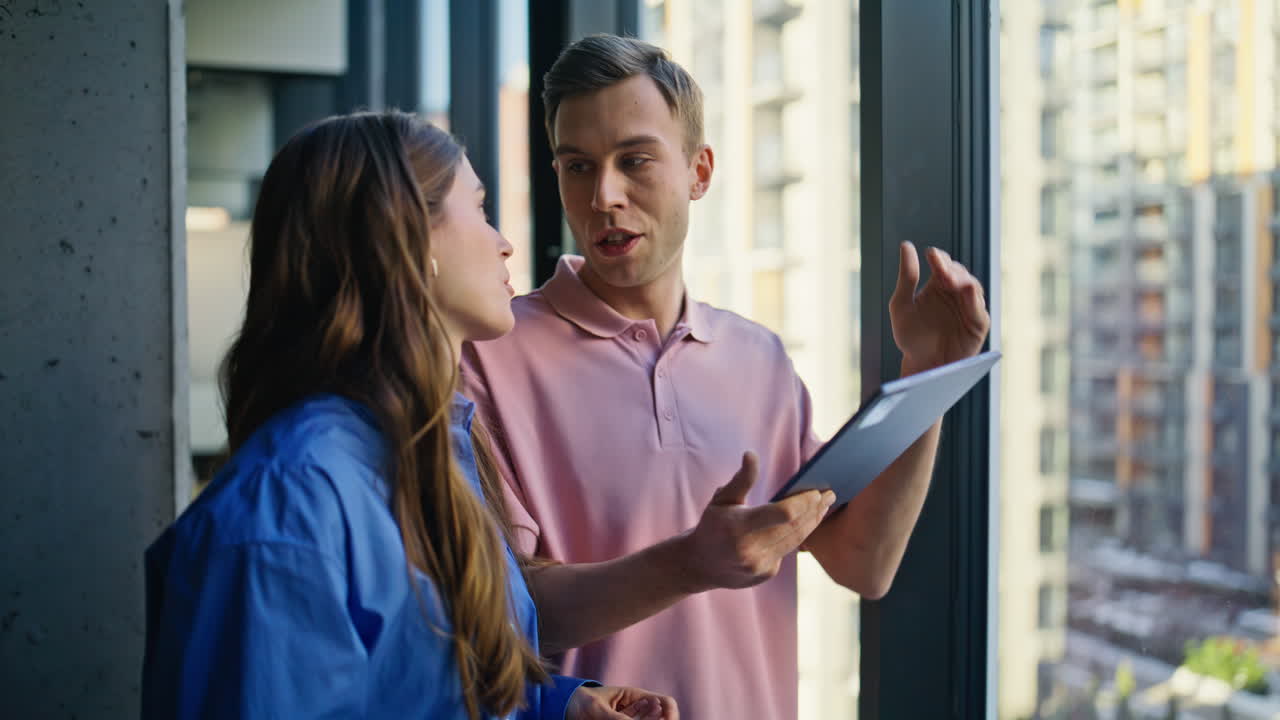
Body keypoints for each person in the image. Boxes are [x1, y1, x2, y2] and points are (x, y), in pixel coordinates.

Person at [460, 35, 992, 719]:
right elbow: (503, 612)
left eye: (635, 160)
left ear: (699, 171)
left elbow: (864, 561)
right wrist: (689, 563)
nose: (604, 197)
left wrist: (930, 372)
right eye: (578, 167)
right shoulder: (490, 358)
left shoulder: (760, 359)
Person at [141, 111, 677, 720]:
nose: (503, 241)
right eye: (478, 209)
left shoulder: (434, 452)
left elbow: (421, 689)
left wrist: (559, 706)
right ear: (410, 239)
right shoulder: (285, 508)